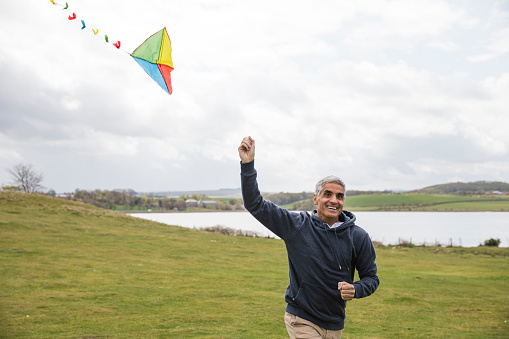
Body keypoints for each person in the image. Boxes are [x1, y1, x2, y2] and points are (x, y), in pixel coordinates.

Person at [238, 136, 379, 339]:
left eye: (339, 196)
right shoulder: (296, 225)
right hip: (301, 318)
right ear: (316, 198)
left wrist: (356, 289)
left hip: (335, 323)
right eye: (327, 194)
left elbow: (371, 278)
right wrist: (247, 164)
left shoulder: (358, 236)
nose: (334, 200)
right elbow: (255, 204)